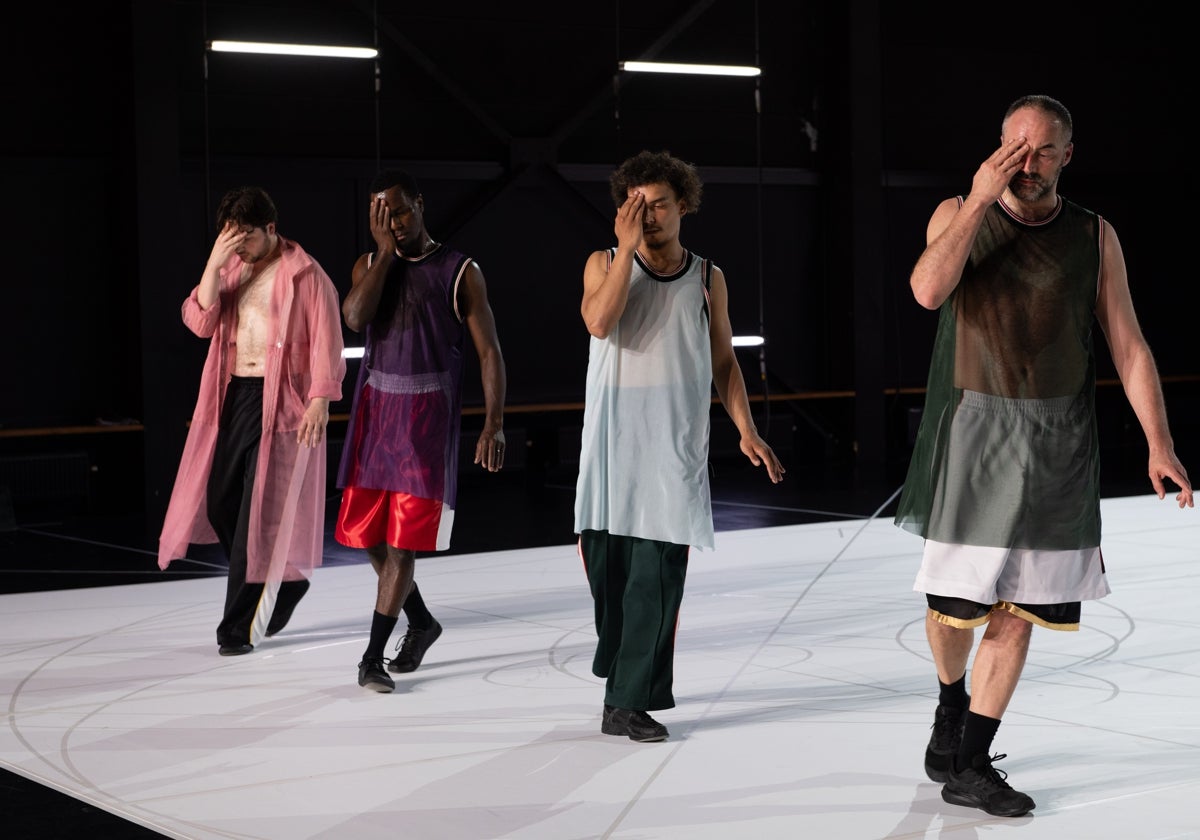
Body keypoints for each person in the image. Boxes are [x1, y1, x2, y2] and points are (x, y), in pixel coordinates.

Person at [895, 95, 1193, 817]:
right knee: (953, 608)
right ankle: (949, 702)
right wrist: (977, 198)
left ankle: (970, 760)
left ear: (1067, 156)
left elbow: (1127, 341)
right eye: (1015, 149)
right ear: (998, 148)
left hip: (1059, 440)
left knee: (1023, 610)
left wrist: (1161, 442)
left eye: (1043, 150)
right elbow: (928, 291)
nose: (1027, 164)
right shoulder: (957, 213)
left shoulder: (1094, 235)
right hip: (972, 434)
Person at [574, 150, 785, 743]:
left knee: (656, 581)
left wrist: (746, 427)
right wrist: (624, 250)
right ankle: (621, 681)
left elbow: (723, 360)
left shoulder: (707, 276)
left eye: (658, 204)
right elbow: (600, 321)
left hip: (672, 450)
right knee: (610, 581)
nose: (647, 216)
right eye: (635, 205)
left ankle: (629, 700)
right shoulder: (601, 263)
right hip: (612, 453)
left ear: (684, 206)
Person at [336, 169, 507, 693]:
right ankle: (423, 622)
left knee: (402, 544)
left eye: (401, 210)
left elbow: (489, 352)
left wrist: (493, 424)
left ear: (420, 204)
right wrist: (385, 253)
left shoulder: (461, 271)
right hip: (374, 419)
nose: (395, 222)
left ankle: (371, 658)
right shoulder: (370, 264)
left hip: (425, 425)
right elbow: (354, 318)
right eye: (382, 216)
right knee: (370, 540)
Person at [158, 186, 346, 656]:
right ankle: (287, 579)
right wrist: (214, 262)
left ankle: (236, 629)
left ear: (271, 229)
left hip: (282, 400)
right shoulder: (233, 268)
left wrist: (321, 399)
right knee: (221, 502)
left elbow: (328, 340)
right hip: (233, 397)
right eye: (231, 239)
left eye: (246, 238)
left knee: (254, 521)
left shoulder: (306, 274)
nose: (240, 247)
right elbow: (199, 322)